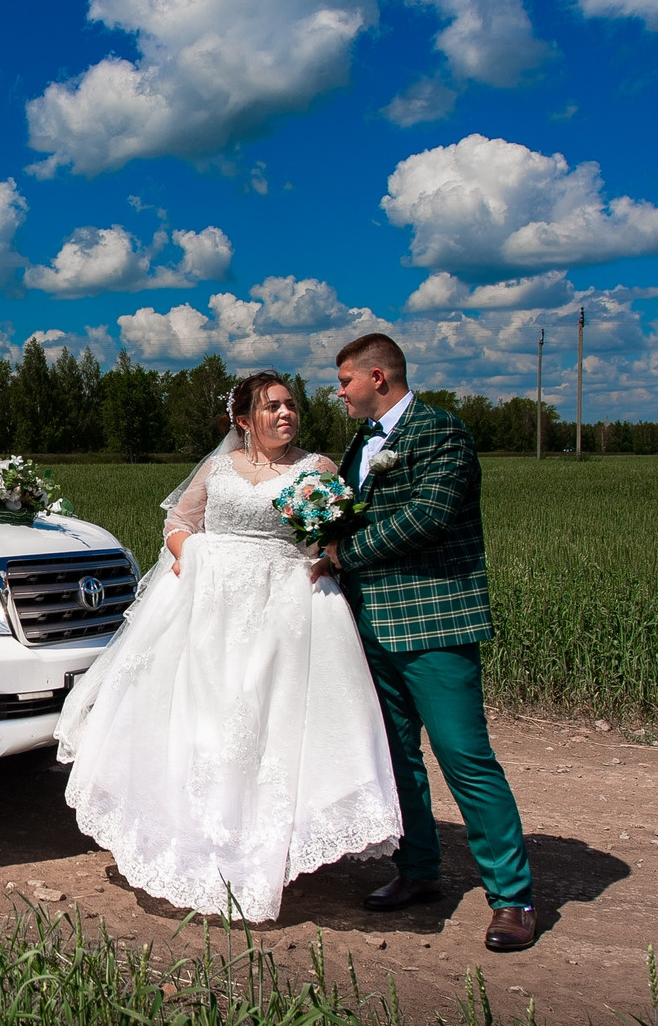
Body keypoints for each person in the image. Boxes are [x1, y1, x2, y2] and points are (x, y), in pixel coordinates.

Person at [54, 371, 402, 923]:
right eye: (272, 407)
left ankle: (260, 842)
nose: (285, 414)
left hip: (286, 602)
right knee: (201, 719)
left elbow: (333, 535)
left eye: (290, 405)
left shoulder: (320, 470)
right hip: (209, 600)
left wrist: (327, 554)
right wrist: (188, 553)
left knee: (270, 722)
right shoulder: (218, 468)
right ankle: (192, 833)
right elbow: (179, 521)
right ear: (244, 420)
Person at [316, 333, 537, 952]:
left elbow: (428, 516)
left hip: (433, 621)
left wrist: (342, 553)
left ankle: (512, 897)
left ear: (378, 377)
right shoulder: (361, 441)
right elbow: (351, 507)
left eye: (345, 382)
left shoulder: (441, 431)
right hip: (371, 623)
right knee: (397, 759)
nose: (339, 394)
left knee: (464, 757)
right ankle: (417, 871)